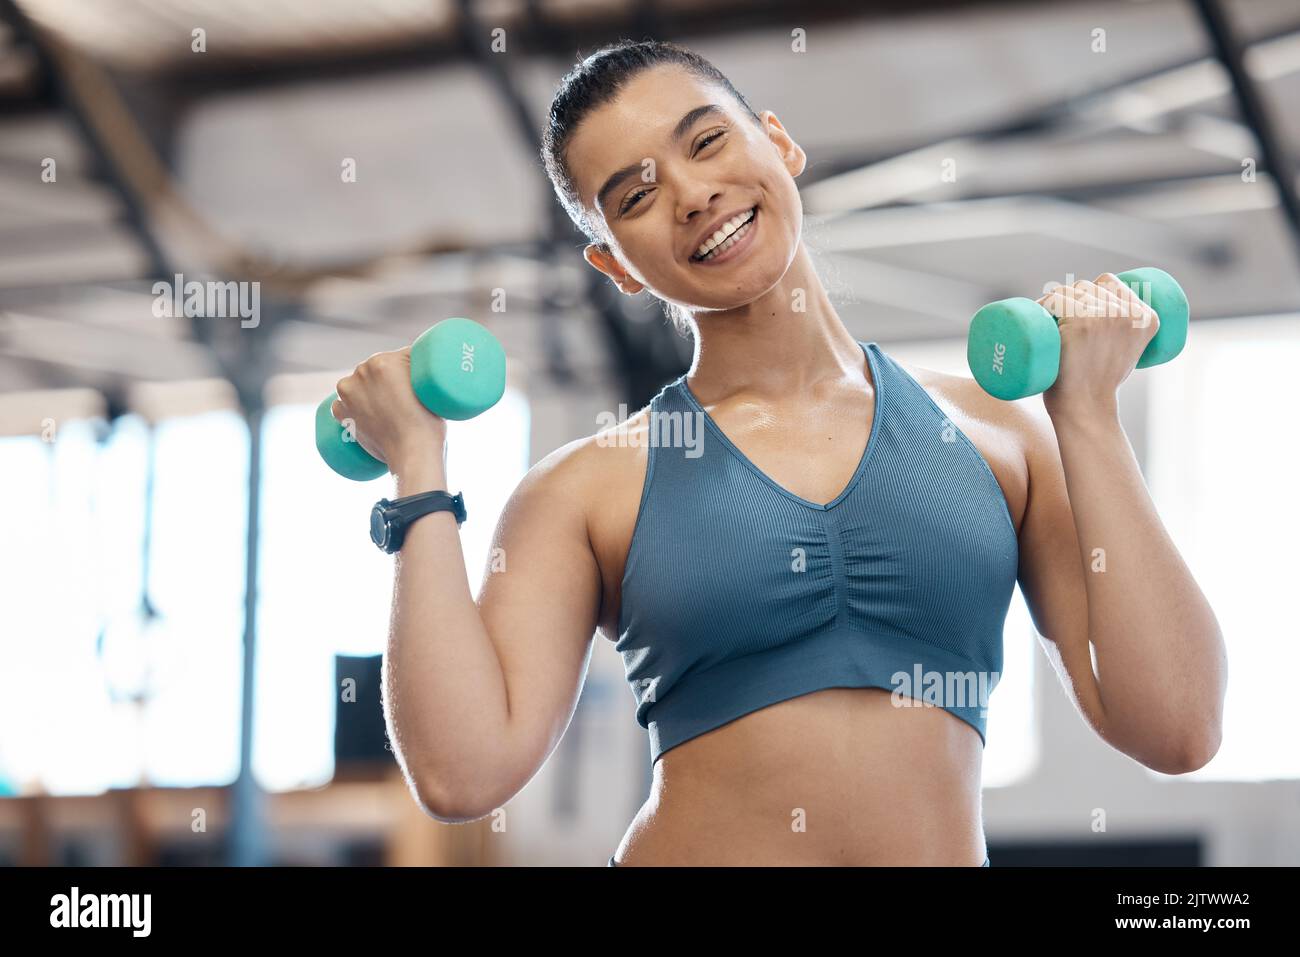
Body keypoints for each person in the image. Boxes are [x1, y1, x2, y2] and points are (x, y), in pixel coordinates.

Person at [329, 39, 1227, 867]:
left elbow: (1178, 729)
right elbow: (462, 776)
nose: (691, 193)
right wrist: (418, 466)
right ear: (617, 267)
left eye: (707, 142)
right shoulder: (588, 486)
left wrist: (1090, 417)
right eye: (637, 196)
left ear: (779, 143)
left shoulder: (998, 433)